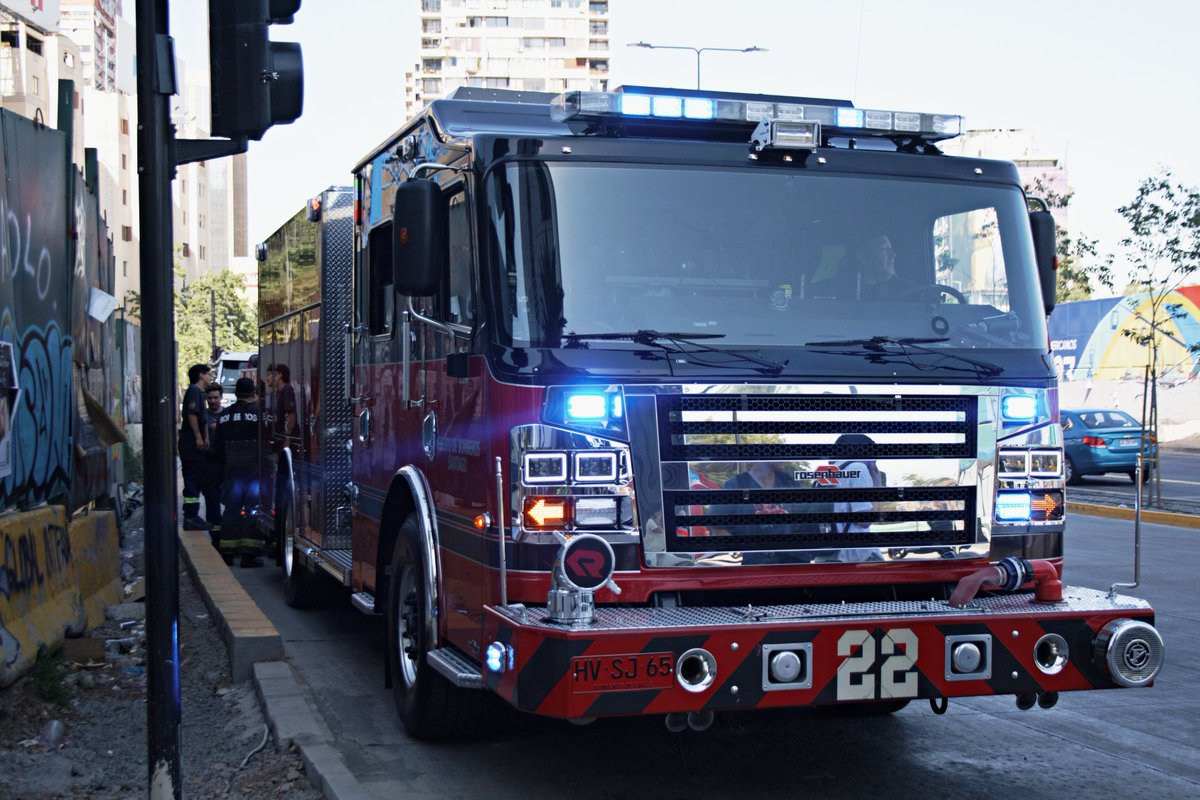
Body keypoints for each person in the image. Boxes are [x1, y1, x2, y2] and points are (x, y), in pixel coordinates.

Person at [215, 377, 264, 567]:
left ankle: (227, 551)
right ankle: (249, 555)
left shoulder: (225, 415)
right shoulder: (258, 413)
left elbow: (218, 446)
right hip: (253, 467)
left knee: (232, 507)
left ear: (235, 394)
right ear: (253, 394)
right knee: (253, 508)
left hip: (232, 467)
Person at [831, 433, 885, 562]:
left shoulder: (828, 472)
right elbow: (864, 521)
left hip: (828, 553)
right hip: (855, 556)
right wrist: (877, 485)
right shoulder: (858, 468)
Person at [820, 234, 919, 301]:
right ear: (863, 257)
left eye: (891, 249)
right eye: (884, 249)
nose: (893, 255)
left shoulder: (910, 292)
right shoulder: (837, 292)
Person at [179, 364, 212, 531]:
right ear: (200, 375)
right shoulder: (193, 391)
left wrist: (206, 437)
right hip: (190, 444)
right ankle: (190, 516)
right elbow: (192, 414)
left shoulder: (200, 393)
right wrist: (199, 436)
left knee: (197, 478)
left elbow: (203, 418)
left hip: (196, 445)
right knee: (191, 480)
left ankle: (193, 516)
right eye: (208, 374)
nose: (209, 377)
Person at [202, 384, 226, 549]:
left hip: (226, 463)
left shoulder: (227, 415)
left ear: (221, 397)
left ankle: (229, 533)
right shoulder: (203, 416)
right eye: (210, 398)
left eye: (216, 397)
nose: (213, 401)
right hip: (208, 464)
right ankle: (216, 536)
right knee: (212, 501)